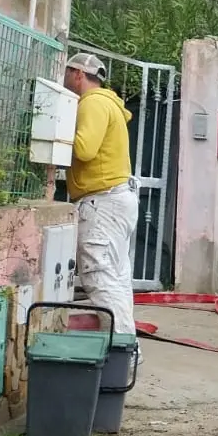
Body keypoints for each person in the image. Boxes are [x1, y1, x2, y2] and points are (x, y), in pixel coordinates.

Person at [63, 52, 138, 336]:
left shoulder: (92, 103)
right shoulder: (110, 104)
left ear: (79, 74)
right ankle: (126, 347)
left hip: (102, 202)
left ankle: (122, 346)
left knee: (98, 275)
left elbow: (84, 149)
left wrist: (57, 128)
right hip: (118, 198)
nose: (65, 77)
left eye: (68, 72)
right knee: (116, 277)